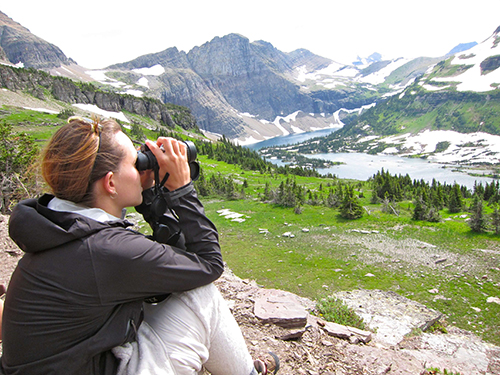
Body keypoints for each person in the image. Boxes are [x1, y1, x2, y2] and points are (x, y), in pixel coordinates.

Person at [2, 117, 279, 375]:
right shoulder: (107, 250)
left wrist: (146, 195)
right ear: (111, 183)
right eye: (136, 163)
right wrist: (182, 190)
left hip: (76, 362)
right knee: (200, 296)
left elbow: (172, 267)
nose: (142, 169)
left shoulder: (59, 224)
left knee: (159, 297)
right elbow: (208, 264)